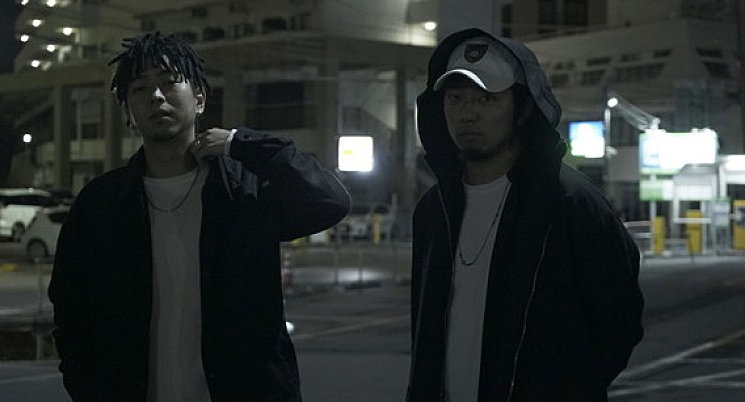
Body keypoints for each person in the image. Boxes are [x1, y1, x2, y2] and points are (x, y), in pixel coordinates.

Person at [48, 32, 351, 402]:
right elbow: (70, 305)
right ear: (128, 111)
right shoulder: (101, 204)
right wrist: (87, 387)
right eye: (140, 88)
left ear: (200, 99)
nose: (156, 96)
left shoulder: (242, 191)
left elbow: (330, 200)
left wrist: (241, 144)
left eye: (169, 82)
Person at [406, 28, 644, 401]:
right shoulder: (432, 211)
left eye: (487, 99)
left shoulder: (571, 203)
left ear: (524, 107)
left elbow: (618, 325)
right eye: (455, 98)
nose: (468, 113)